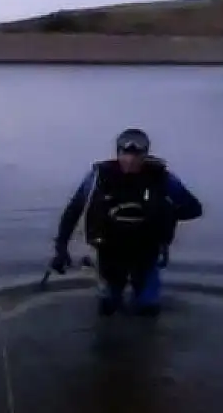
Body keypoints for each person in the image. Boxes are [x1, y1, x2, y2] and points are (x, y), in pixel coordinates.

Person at [50, 128, 202, 317]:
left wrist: (167, 212)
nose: (130, 160)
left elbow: (194, 208)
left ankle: (145, 340)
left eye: (137, 154)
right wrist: (61, 249)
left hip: (146, 251)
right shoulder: (98, 177)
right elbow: (73, 212)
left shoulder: (162, 179)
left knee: (148, 311)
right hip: (109, 251)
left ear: (145, 155)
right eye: (125, 153)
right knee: (108, 309)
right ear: (118, 153)